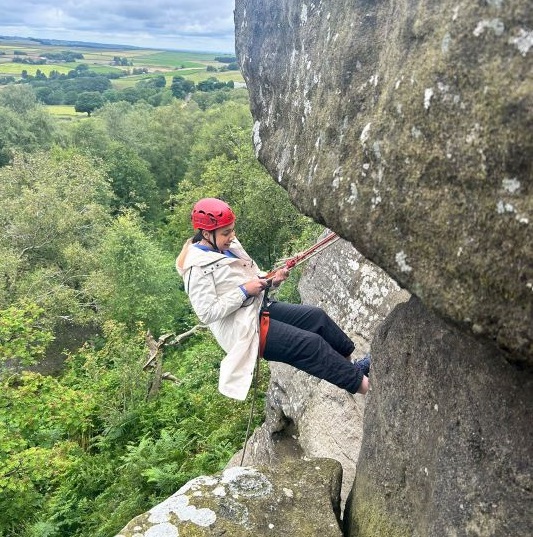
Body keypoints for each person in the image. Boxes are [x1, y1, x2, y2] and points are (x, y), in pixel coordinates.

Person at [176, 197, 370, 401]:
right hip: (244, 329)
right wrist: (244, 290)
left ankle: (351, 368)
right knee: (311, 345)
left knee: (317, 318)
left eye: (232, 230)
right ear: (206, 234)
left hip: (257, 307)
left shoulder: (226, 246)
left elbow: (252, 276)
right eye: (226, 233)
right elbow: (206, 313)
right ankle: (368, 388)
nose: (232, 236)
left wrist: (272, 279)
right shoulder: (196, 268)